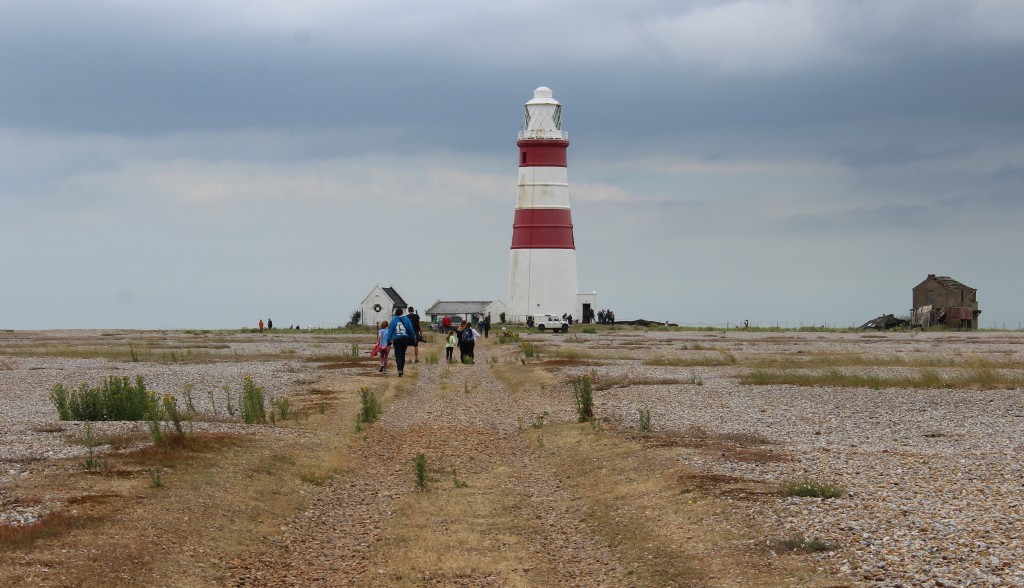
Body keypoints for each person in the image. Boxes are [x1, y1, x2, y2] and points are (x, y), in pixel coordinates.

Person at [385, 308, 417, 377]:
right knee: (402, 354)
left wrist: (388, 340)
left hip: (396, 339)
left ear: (396, 313)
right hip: (405, 339)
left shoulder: (394, 320)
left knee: (398, 355)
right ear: (402, 312)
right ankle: (401, 370)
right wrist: (414, 337)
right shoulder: (406, 319)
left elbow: (390, 330)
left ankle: (399, 369)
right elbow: (410, 329)